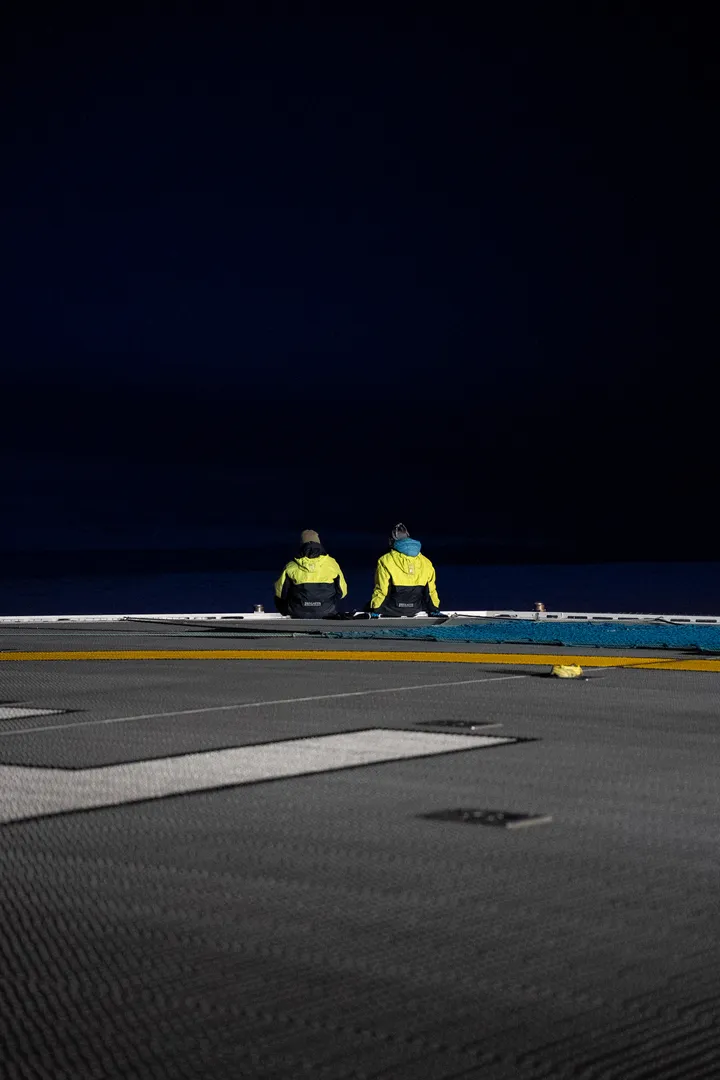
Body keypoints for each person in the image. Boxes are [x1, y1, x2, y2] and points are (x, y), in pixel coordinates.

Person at [368, 523, 441, 617]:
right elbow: (431, 591)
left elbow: (382, 590)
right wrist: (434, 609)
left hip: (391, 609)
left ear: (391, 541)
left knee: (369, 605)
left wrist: (375, 609)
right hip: (416, 609)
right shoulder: (426, 562)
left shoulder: (385, 560)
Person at [274, 530, 348, 618]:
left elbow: (280, 593)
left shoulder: (291, 565)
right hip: (326, 611)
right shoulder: (332, 563)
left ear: (302, 544)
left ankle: (290, 612)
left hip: (298, 612)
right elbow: (342, 592)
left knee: (279, 596)